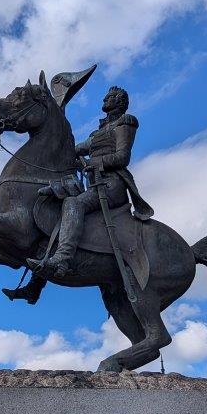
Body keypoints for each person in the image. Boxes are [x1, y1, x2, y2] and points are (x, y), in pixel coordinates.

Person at [27, 85, 154, 280]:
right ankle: (36, 283)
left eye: (110, 97)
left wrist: (93, 162)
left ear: (120, 102)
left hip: (112, 185)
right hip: (95, 185)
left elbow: (122, 157)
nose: (105, 99)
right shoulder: (97, 133)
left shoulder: (125, 122)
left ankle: (63, 258)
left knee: (73, 203)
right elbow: (74, 150)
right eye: (105, 96)